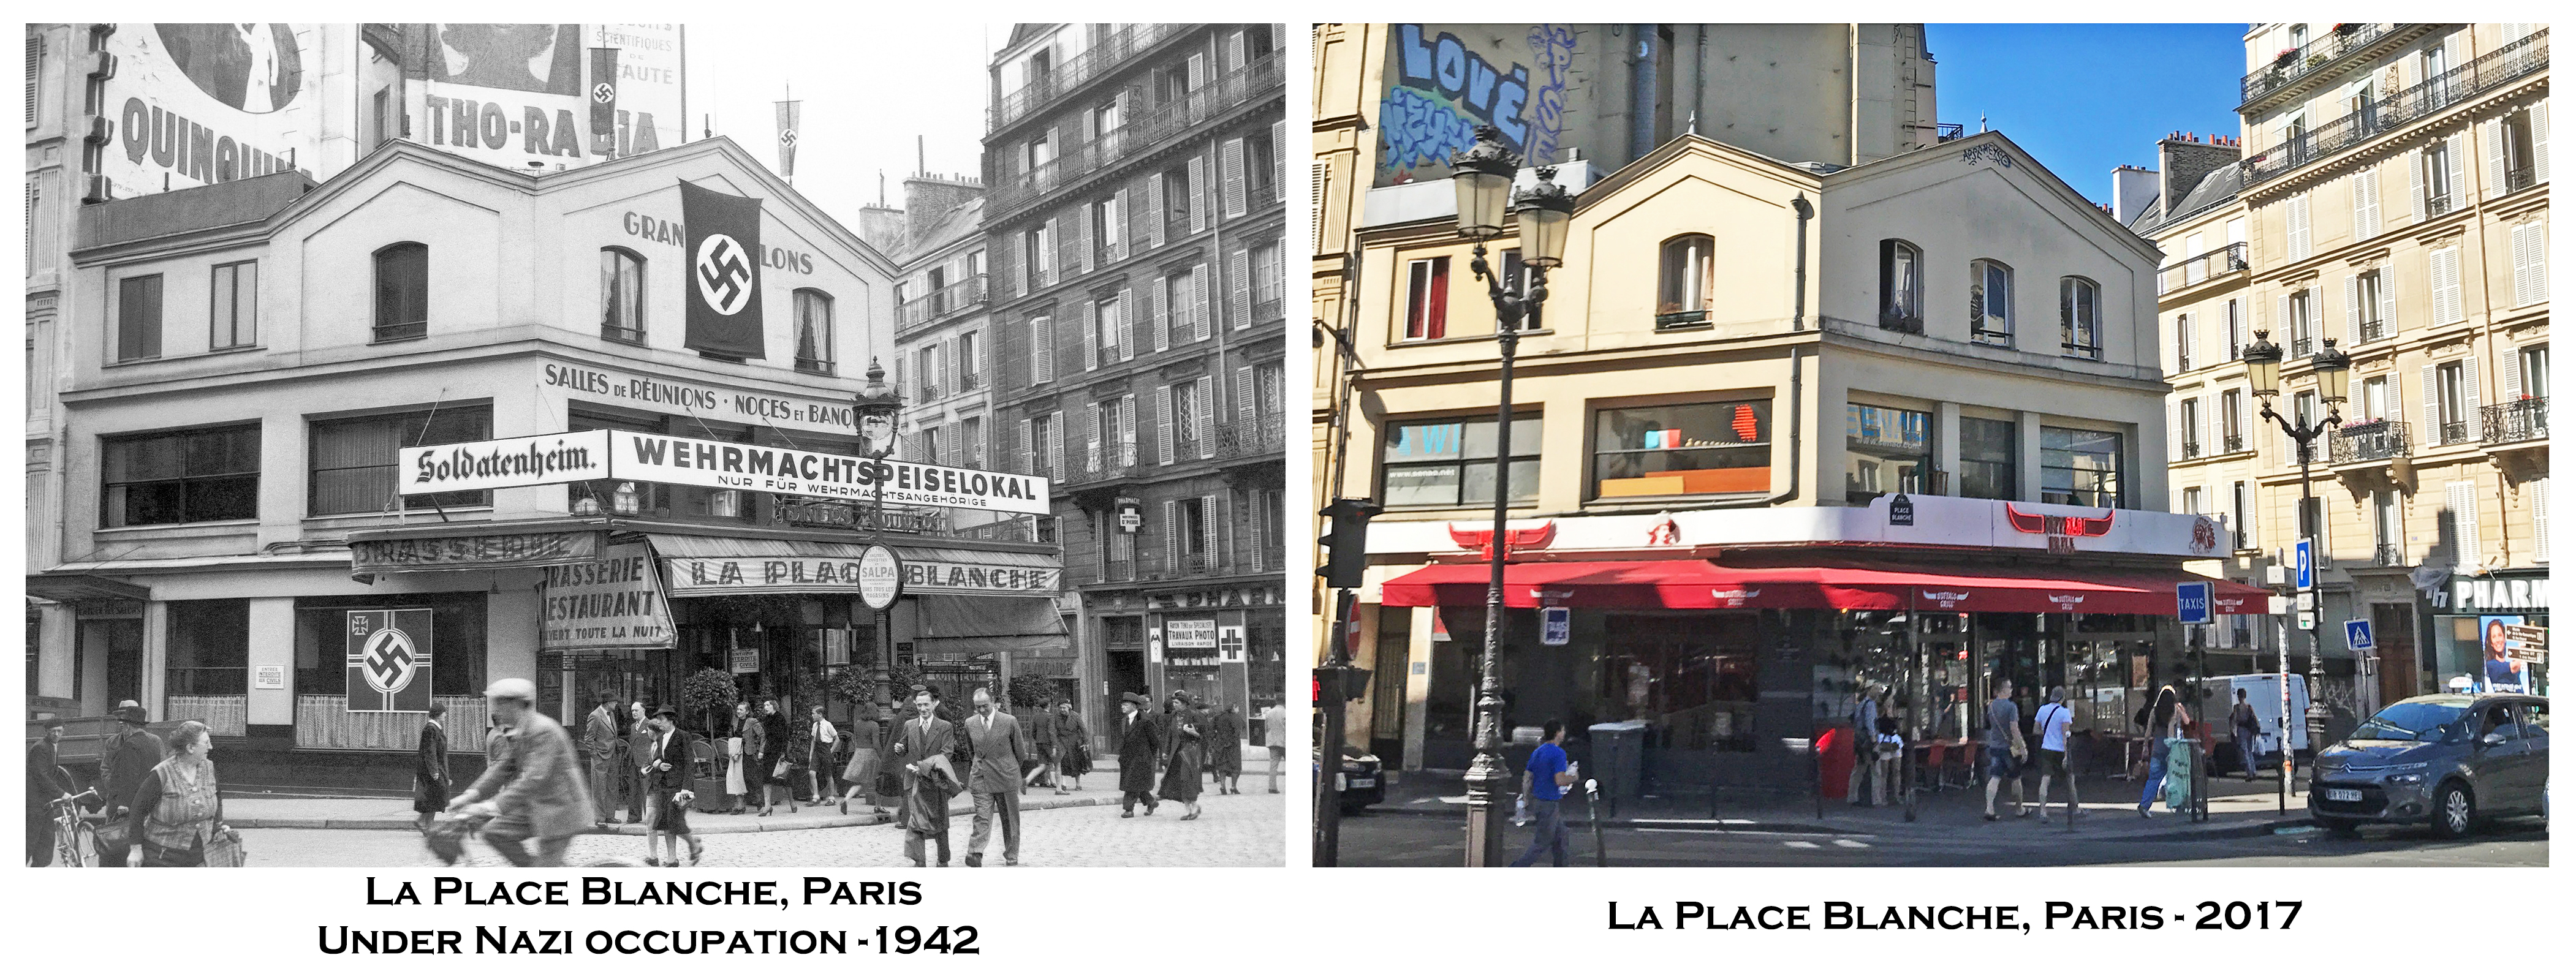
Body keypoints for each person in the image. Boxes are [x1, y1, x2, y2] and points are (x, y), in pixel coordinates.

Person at [448, 678, 592, 867]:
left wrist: (490, 806)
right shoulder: (521, 729)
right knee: (495, 832)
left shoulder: (543, 730)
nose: (495, 710)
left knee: (545, 869)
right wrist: (470, 795)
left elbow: (534, 779)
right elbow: (502, 767)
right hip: (537, 804)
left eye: (499, 704)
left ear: (516, 704)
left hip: (559, 809)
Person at [127, 720, 232, 867]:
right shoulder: (162, 773)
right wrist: (135, 849)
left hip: (202, 855)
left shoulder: (209, 768)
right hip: (163, 856)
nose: (211, 747)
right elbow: (138, 810)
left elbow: (217, 798)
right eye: (206, 743)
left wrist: (218, 826)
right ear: (190, 748)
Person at [890, 690, 961, 867]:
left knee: (940, 822)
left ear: (934, 704)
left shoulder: (945, 727)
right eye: (919, 705)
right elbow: (904, 748)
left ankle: (943, 858)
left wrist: (923, 768)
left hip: (936, 781)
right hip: (914, 781)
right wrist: (900, 749)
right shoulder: (910, 725)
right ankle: (919, 860)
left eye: (926, 705)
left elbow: (946, 754)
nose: (923, 709)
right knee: (915, 821)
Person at [961, 687, 1031, 867]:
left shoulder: (1009, 721)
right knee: (982, 817)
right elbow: (971, 750)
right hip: (981, 776)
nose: (982, 710)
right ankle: (975, 853)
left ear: (993, 702)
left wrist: (1009, 768)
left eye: (985, 705)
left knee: (1009, 819)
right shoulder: (970, 723)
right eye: (978, 707)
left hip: (1005, 776)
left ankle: (1012, 853)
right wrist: (980, 765)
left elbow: (1020, 751)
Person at [99, 704, 167, 866]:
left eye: (124, 723)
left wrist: (123, 803)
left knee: (116, 850)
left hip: (128, 806)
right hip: (146, 804)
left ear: (128, 726)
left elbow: (129, 778)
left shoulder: (131, 744)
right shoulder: (152, 743)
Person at [639, 706, 703, 867]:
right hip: (664, 786)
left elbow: (689, 762)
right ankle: (673, 859)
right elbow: (660, 759)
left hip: (678, 787)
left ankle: (693, 844)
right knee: (667, 823)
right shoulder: (661, 738)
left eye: (662, 719)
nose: (659, 723)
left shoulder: (683, 736)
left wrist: (686, 788)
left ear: (671, 720)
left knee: (675, 821)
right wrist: (658, 764)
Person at [1508, 720, 1577, 867]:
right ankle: (1516, 868)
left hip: (1538, 801)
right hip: (1549, 802)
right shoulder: (1559, 753)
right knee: (1542, 842)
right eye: (1563, 730)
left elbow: (1528, 776)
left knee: (1562, 836)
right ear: (1558, 733)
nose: (1564, 733)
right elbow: (1560, 780)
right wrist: (1574, 777)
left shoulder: (1538, 751)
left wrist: (1526, 798)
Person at [2137, 685, 2193, 817]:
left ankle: (2144, 805)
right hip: (2171, 748)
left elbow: (2148, 731)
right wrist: (2182, 711)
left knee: (2153, 778)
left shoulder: (2154, 711)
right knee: (2177, 776)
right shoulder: (2174, 709)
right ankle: (2179, 805)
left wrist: (2145, 747)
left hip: (2157, 747)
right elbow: (2185, 723)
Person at [28, 725, 74, 866]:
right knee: (28, 843)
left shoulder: (52, 746)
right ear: (46, 732)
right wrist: (61, 793)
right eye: (53, 731)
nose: (56, 734)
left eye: (59, 731)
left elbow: (51, 775)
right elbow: (41, 776)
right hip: (34, 803)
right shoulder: (40, 748)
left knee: (46, 845)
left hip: (46, 803)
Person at [1983, 677, 2028, 820]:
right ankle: (2019, 809)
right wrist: (2023, 747)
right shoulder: (2011, 707)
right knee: (2016, 778)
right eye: (2010, 687)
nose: (2012, 690)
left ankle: (1989, 808)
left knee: (1995, 777)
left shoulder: (1991, 707)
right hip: (2009, 749)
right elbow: (2014, 729)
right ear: (2004, 690)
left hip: (1995, 746)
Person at [1159, 692, 1207, 819]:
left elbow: (1203, 735)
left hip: (1189, 752)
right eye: (1174, 703)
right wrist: (1166, 751)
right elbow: (1170, 734)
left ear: (1185, 704)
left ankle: (1195, 806)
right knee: (1178, 781)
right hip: (1176, 753)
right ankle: (1188, 810)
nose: (1174, 705)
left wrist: (1193, 732)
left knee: (1187, 780)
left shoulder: (1194, 715)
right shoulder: (1174, 715)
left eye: (1177, 703)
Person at [2031, 687, 2075, 818]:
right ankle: (2075, 808)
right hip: (2061, 749)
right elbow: (2065, 735)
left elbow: (2036, 730)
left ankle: (2043, 811)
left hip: (2046, 748)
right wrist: (2066, 755)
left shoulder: (2042, 710)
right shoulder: (2065, 712)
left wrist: (2047, 734)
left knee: (2045, 779)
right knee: (2070, 779)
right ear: (2063, 698)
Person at [1115, 692, 1160, 817]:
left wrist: (1149, 756)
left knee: (1131, 785)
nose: (1123, 707)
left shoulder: (1145, 720)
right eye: (1122, 704)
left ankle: (1128, 809)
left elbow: (1155, 741)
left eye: (1126, 705)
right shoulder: (1124, 720)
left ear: (1134, 706)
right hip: (1127, 759)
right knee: (1137, 784)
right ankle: (1151, 802)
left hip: (1142, 759)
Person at [841, 703, 887, 817]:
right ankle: (878, 806)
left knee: (861, 782)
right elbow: (876, 744)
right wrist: (882, 757)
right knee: (879, 780)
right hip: (871, 754)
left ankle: (846, 799)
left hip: (859, 753)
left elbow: (856, 740)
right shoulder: (874, 725)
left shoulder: (857, 724)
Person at [583, 698, 621, 827]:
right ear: (608, 703)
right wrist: (595, 756)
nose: (616, 704)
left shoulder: (612, 714)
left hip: (613, 755)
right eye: (615, 702)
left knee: (612, 787)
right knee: (599, 788)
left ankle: (610, 816)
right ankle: (600, 818)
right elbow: (589, 739)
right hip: (600, 757)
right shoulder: (595, 716)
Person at [756, 699, 797, 815]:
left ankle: (792, 801)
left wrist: (783, 753)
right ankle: (768, 806)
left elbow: (785, 737)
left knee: (784, 778)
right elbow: (765, 737)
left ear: (774, 706)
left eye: (767, 705)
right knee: (766, 779)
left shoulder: (780, 718)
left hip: (779, 752)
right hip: (769, 751)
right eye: (764, 705)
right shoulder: (767, 719)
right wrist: (762, 751)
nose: (765, 707)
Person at [415, 703, 451, 832]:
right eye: (444, 713)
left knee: (435, 797)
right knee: (434, 797)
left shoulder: (435, 729)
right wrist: (434, 771)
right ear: (438, 714)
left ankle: (424, 823)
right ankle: (426, 825)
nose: (446, 715)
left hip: (437, 768)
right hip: (432, 770)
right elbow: (430, 751)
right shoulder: (430, 729)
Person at [1847, 685, 1881, 806]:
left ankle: (1852, 797)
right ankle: (1876, 799)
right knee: (1876, 771)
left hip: (1859, 741)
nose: (1878, 693)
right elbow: (1870, 723)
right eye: (1877, 690)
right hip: (1869, 742)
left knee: (1858, 770)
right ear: (1870, 691)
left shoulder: (1861, 704)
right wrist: (1874, 741)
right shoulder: (1871, 705)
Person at [623, 700, 654, 824]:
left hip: (645, 762)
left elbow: (655, 743)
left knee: (646, 790)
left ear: (643, 710)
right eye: (632, 711)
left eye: (636, 710)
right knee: (633, 790)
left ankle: (650, 817)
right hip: (633, 762)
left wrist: (651, 761)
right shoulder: (633, 727)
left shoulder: (650, 725)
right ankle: (634, 816)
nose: (634, 713)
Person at [805, 704, 842, 806]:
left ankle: (832, 799)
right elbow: (813, 741)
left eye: (814, 714)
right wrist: (811, 754)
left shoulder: (828, 725)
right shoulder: (815, 725)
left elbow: (837, 739)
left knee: (828, 775)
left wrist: (831, 751)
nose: (812, 716)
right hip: (817, 751)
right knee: (812, 773)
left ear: (820, 714)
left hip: (826, 750)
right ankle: (816, 797)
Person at [1053, 700, 1090, 794]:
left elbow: (1083, 729)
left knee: (1076, 763)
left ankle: (1078, 784)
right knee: (1062, 762)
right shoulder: (1056, 717)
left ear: (1069, 708)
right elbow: (1054, 729)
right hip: (1061, 741)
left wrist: (1086, 742)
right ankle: (1063, 783)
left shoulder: (1076, 716)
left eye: (1064, 708)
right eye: (1060, 708)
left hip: (1074, 742)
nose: (1062, 710)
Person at [1207, 703, 1244, 794]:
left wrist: (1215, 740)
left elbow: (1210, 730)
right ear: (1234, 708)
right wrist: (1232, 740)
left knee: (1222, 766)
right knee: (1235, 766)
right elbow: (1239, 731)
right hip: (1234, 745)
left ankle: (1223, 786)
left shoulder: (1218, 717)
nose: (1238, 710)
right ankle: (1233, 787)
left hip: (1220, 744)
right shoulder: (1237, 717)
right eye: (1238, 708)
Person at [1871, 712, 1904, 807]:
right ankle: (1885, 796)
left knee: (1894, 772)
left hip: (1892, 741)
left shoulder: (1893, 714)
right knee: (1886, 773)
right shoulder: (1884, 715)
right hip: (1888, 741)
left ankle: (1895, 795)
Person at [724, 702, 752, 813]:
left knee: (749, 778)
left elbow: (761, 735)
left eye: (741, 710)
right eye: (738, 710)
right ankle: (740, 805)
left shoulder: (752, 721)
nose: (739, 712)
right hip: (736, 753)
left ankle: (759, 800)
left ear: (747, 712)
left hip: (748, 753)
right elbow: (731, 735)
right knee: (735, 778)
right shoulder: (734, 721)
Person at [2230, 689, 2263, 780]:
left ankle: (2250, 773)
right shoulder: (2249, 707)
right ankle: (2254, 771)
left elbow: (2235, 719)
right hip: (2250, 730)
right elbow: (2254, 718)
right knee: (2250, 751)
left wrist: (2232, 730)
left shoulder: (2237, 707)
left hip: (2241, 730)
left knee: (2245, 752)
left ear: (2238, 696)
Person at [1027, 699, 1058, 791]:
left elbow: (1033, 731)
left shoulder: (1036, 716)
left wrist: (1038, 739)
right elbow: (1051, 731)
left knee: (1042, 765)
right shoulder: (1050, 716)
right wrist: (1054, 746)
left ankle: (1027, 780)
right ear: (1049, 705)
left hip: (1039, 743)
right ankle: (1060, 787)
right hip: (1048, 743)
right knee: (1057, 763)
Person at [1262, 702, 1287, 794]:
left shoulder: (1269, 713)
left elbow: (1266, 728)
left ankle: (1272, 787)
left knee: (1273, 766)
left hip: (1272, 742)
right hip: (1284, 742)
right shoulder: (1286, 713)